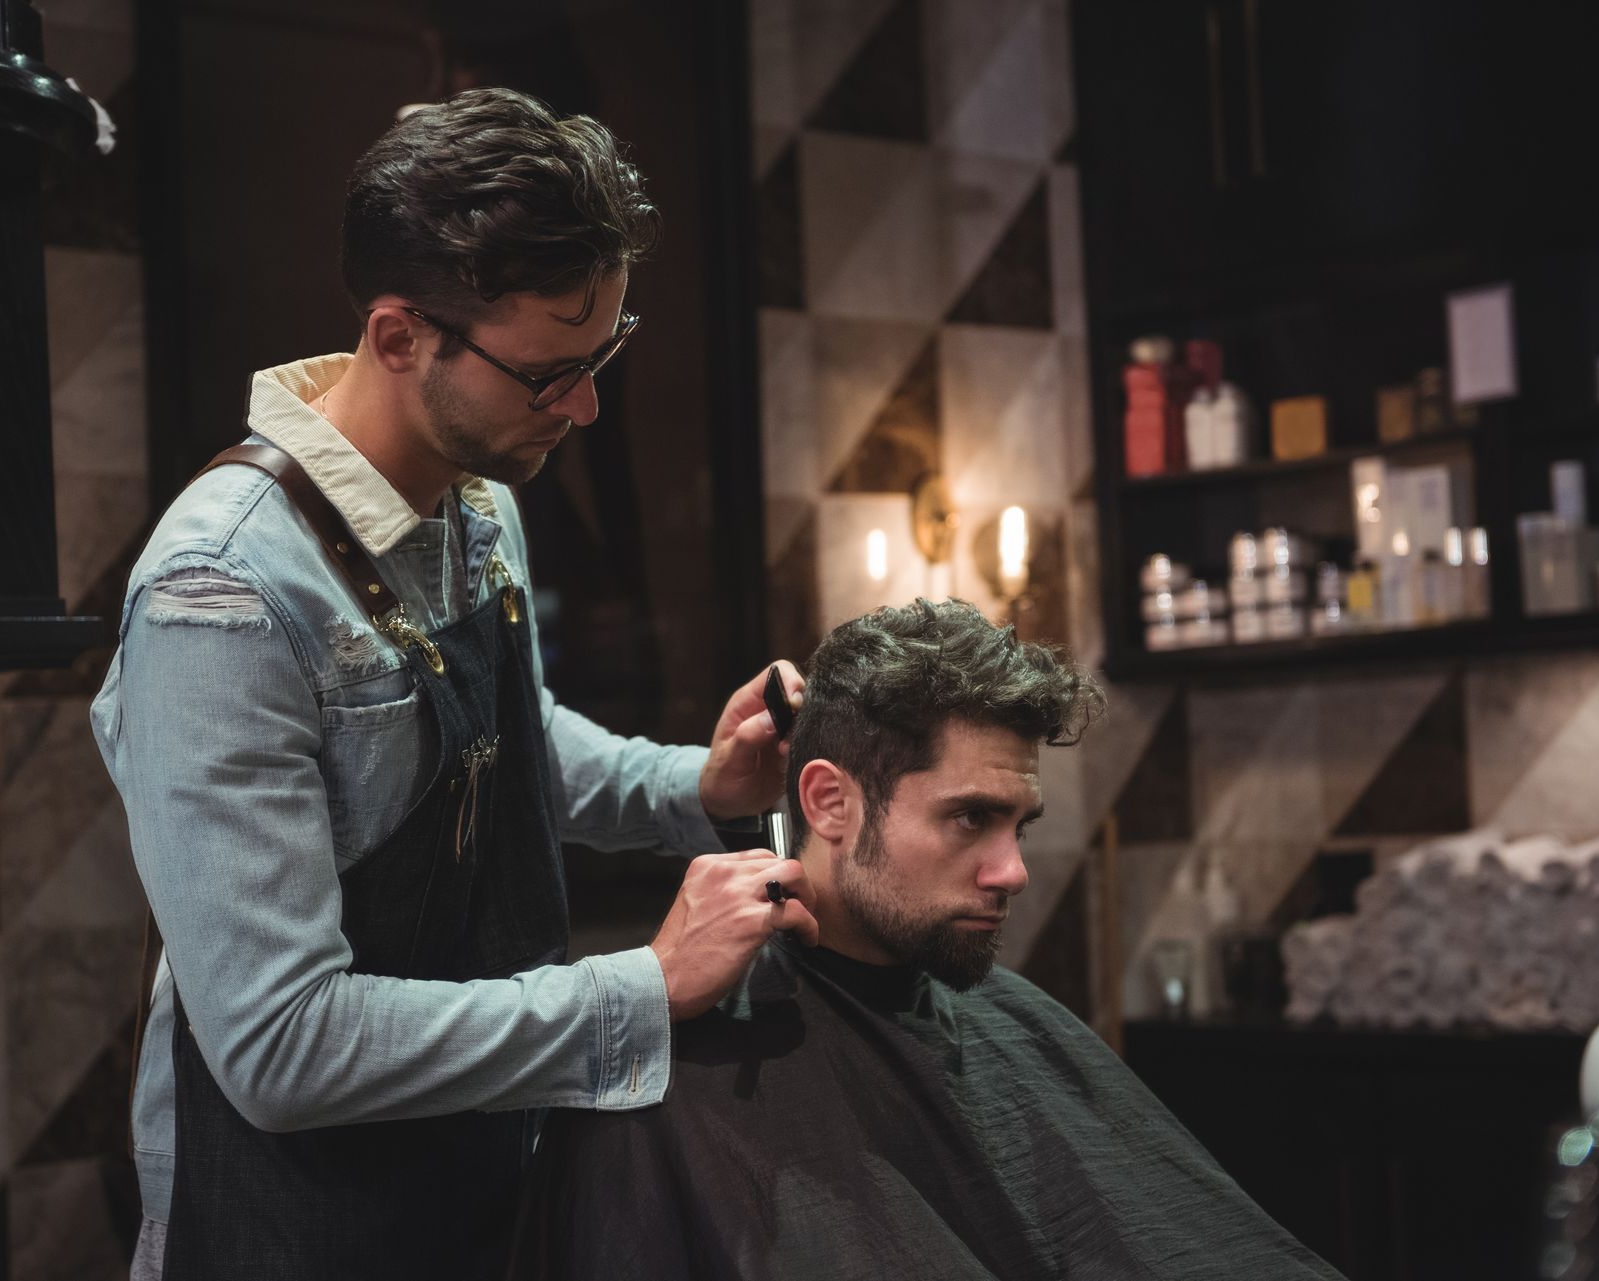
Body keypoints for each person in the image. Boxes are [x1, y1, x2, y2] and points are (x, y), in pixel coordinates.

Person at [90, 87, 818, 1281]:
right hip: (302, 1232)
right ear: (398, 338)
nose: (584, 407)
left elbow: (499, 743)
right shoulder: (220, 596)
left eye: (601, 358)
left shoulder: (477, 504)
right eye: (548, 374)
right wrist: (640, 990)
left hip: (485, 1188)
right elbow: (281, 1048)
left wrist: (700, 785)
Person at [508, 599, 1344, 1281]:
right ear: (829, 802)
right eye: (971, 817)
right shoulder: (665, 1083)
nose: (1014, 871)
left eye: (1019, 824)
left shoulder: (1013, 1024)